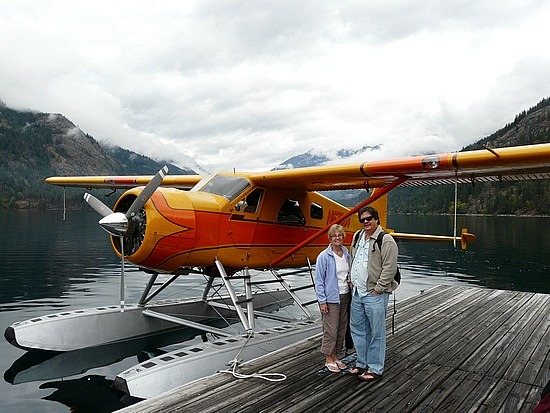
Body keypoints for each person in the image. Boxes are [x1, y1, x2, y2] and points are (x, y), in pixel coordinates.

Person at [348, 206, 398, 381]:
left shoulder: (386, 240)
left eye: (369, 218)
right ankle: (361, 363)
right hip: (357, 293)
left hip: (374, 294)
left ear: (376, 219)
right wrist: (350, 279)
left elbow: (389, 268)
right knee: (358, 330)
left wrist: (379, 288)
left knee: (377, 332)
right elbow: (352, 259)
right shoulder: (357, 236)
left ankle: (375, 368)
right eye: (362, 220)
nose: (366, 222)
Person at [315, 223, 351, 373]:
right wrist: (322, 301)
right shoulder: (324, 256)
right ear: (329, 238)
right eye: (334, 235)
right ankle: (328, 358)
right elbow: (319, 281)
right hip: (331, 298)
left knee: (341, 328)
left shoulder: (346, 253)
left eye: (340, 235)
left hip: (345, 296)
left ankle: (336, 355)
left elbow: (347, 274)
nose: (337, 238)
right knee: (330, 329)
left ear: (343, 237)